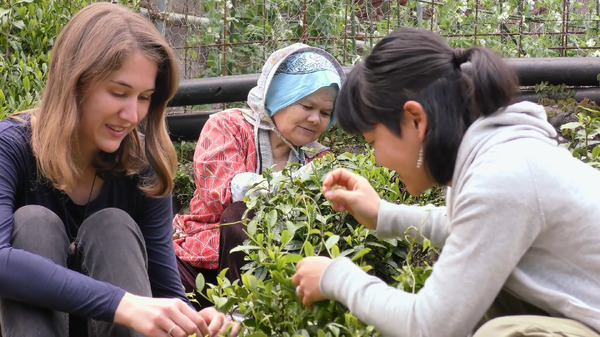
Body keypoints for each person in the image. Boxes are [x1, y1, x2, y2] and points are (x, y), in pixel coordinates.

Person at [292, 27, 600, 337]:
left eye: (373, 142)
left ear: (415, 119)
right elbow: (474, 230)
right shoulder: (492, 154)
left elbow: (429, 326)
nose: (377, 160)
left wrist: (337, 276)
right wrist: (384, 214)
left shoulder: (502, 174)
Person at [0, 3, 240, 337]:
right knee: (34, 222)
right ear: (75, 82)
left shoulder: (145, 163)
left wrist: (199, 321)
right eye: (119, 92)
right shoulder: (10, 146)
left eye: (144, 98)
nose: (132, 115)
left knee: (112, 224)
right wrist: (122, 303)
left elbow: (164, 288)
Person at [172, 43, 345, 307]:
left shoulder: (319, 159)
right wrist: (295, 182)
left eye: (325, 113)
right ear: (279, 97)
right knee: (242, 215)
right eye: (306, 105)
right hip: (198, 265)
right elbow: (219, 195)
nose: (315, 119)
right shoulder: (228, 126)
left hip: (270, 282)